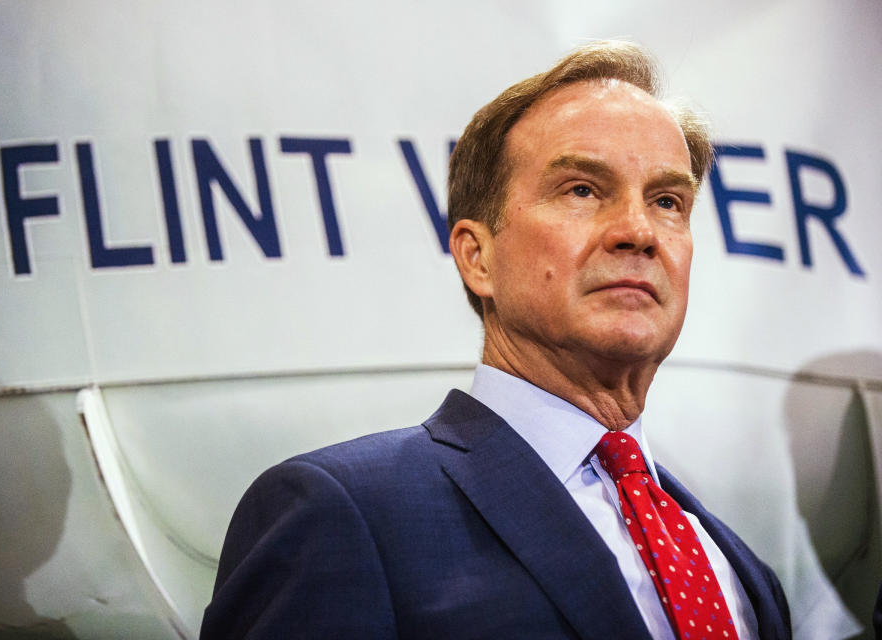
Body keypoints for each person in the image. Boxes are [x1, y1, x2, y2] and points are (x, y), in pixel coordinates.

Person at [201, 41, 791, 639]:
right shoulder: (342, 513)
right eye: (582, 190)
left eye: (667, 201)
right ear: (477, 257)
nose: (638, 231)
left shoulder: (740, 570)